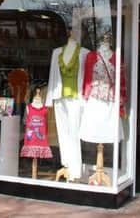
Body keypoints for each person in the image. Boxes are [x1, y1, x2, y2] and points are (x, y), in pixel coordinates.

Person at [45, 28, 89, 181]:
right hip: (59, 96)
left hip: (77, 98)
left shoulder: (84, 53)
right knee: (62, 133)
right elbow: (53, 75)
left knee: (74, 132)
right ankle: (66, 165)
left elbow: (87, 78)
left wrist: (87, 99)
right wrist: (49, 98)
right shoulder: (56, 52)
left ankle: (75, 169)